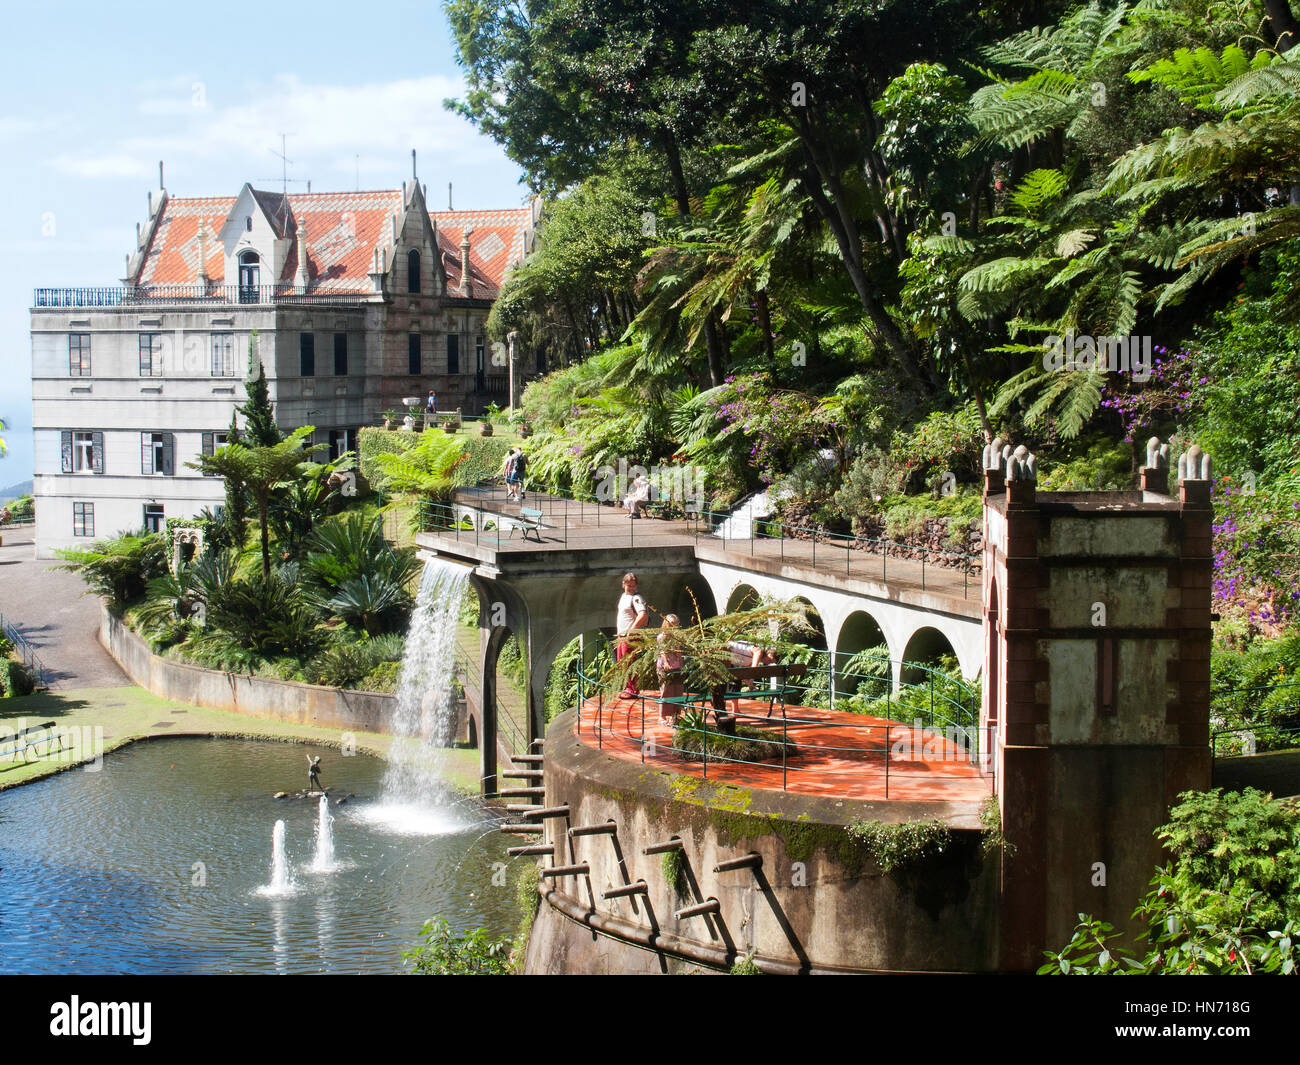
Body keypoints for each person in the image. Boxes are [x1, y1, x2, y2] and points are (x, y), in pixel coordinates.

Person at [615, 572, 649, 698]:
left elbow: (643, 614)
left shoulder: (637, 598)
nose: (631, 588)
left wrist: (632, 630)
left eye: (633, 586)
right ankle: (627, 688)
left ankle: (632, 690)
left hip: (630, 636)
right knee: (623, 662)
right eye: (629, 585)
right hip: (622, 635)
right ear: (623, 584)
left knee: (629, 663)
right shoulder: (624, 597)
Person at [725, 639, 777, 713]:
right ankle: (730, 710)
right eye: (770, 660)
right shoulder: (758, 651)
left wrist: (750, 685)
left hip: (727, 659)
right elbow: (753, 670)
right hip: (724, 649)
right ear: (769, 654)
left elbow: (743, 675)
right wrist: (751, 680)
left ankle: (735, 710)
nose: (768, 663)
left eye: (771, 662)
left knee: (736, 680)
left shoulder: (749, 661)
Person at [656, 614, 685, 726]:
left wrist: (681, 663)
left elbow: (678, 650)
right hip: (665, 667)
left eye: (677, 624)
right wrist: (666, 663)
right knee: (666, 691)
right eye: (673, 624)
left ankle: (675, 715)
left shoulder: (676, 636)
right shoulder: (661, 636)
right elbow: (662, 651)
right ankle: (662, 716)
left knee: (677, 690)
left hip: (676, 667)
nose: (675, 627)